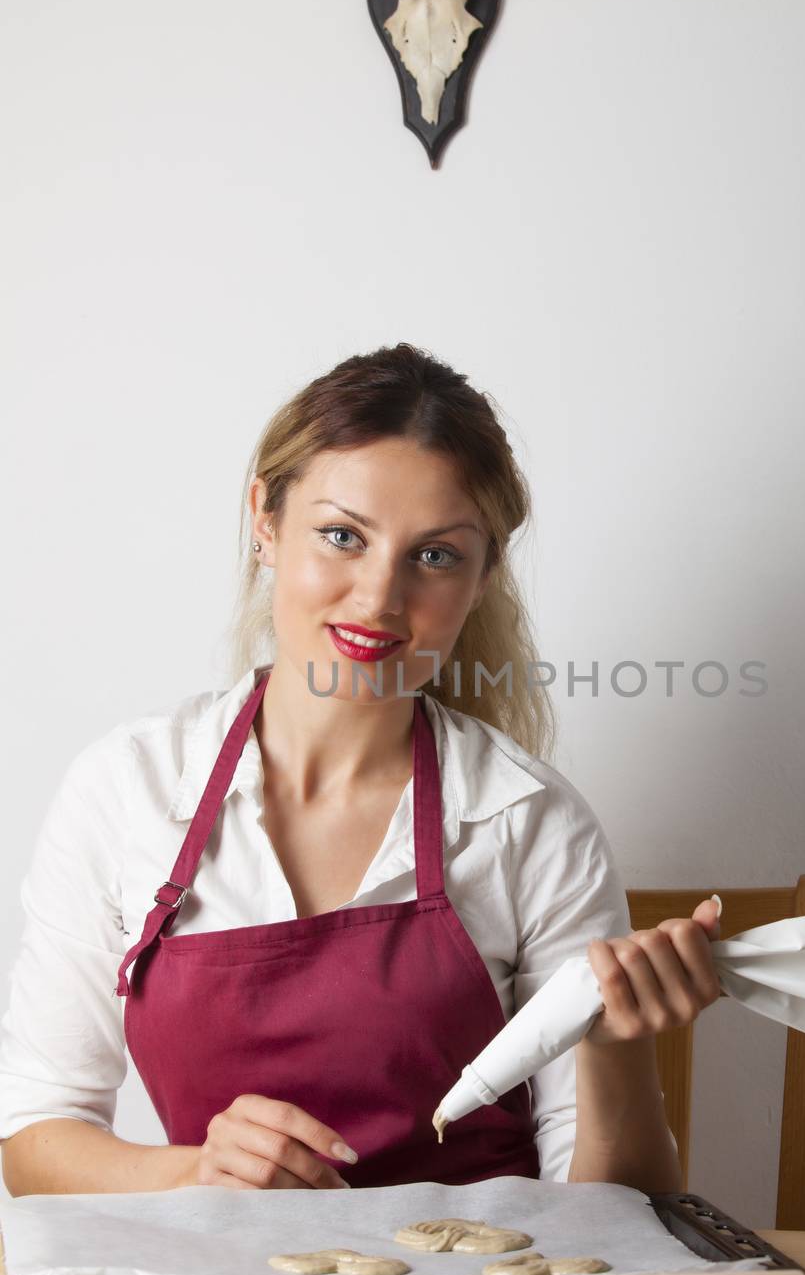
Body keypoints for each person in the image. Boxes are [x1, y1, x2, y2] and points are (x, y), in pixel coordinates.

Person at [0, 343, 721, 1198]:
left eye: (435, 556)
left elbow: (608, 1213)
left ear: (484, 575)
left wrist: (617, 1045)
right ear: (265, 521)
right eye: (342, 536)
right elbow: (34, 1137)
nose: (378, 599)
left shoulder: (530, 824)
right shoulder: (128, 789)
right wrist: (195, 1172)